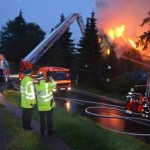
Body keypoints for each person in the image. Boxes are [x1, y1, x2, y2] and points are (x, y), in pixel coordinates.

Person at [35, 72, 56, 137]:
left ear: (38, 79)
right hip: (48, 106)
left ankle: (42, 131)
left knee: (42, 119)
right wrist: (51, 79)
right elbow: (55, 84)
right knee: (49, 119)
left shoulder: (36, 86)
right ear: (43, 78)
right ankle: (50, 133)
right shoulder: (47, 85)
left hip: (41, 106)